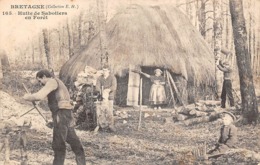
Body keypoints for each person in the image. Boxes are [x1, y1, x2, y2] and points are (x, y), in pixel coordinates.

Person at [23, 69, 86, 165]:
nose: (40, 84)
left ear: (44, 76)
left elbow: (39, 96)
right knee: (75, 143)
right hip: (65, 115)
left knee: (58, 145)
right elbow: (58, 102)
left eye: (40, 81)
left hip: (62, 115)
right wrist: (54, 121)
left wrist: (27, 97)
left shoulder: (51, 81)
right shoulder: (57, 83)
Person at [95, 66, 117, 132]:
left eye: (106, 70)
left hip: (110, 97)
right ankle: (102, 126)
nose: (104, 72)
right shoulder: (99, 78)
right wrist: (101, 92)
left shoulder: (112, 78)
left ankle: (110, 126)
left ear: (109, 71)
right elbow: (97, 87)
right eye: (103, 70)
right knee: (101, 112)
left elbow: (114, 86)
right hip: (101, 97)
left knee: (109, 112)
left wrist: (108, 90)